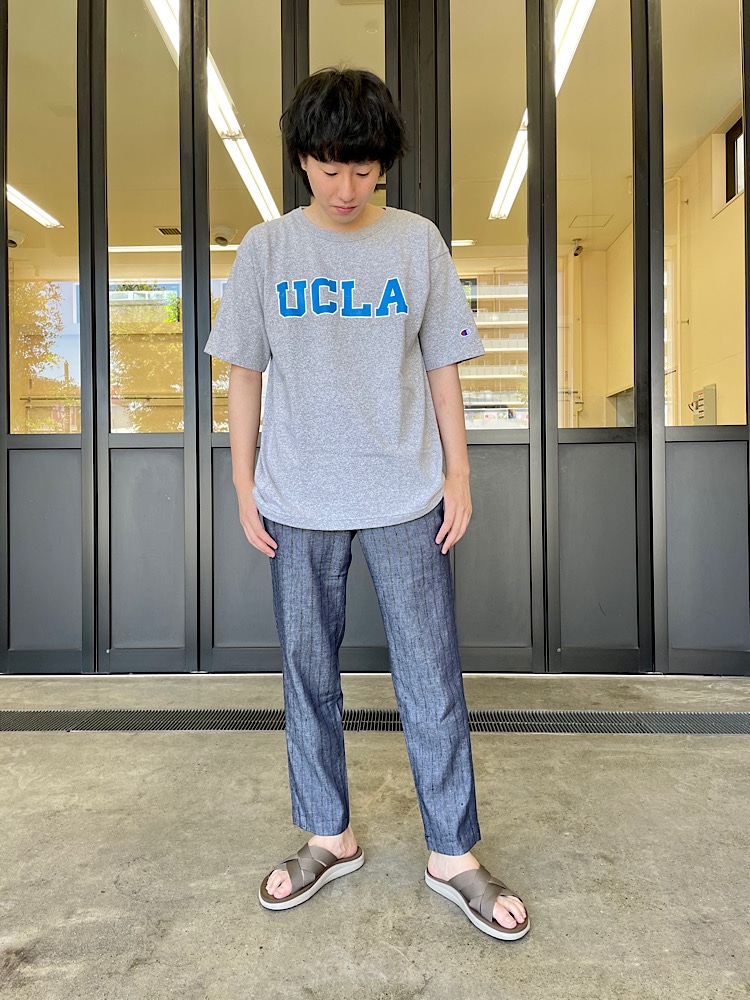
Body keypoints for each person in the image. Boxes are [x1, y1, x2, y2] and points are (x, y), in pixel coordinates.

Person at [204, 67, 529, 942]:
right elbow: (243, 375)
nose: (346, 187)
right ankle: (329, 836)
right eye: (328, 167)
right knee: (307, 675)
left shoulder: (417, 243)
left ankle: (452, 852)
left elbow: (443, 366)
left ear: (384, 164)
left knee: (430, 675)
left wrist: (460, 475)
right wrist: (242, 484)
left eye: (363, 169)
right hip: (296, 495)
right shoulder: (266, 250)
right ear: (302, 160)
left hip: (405, 491)